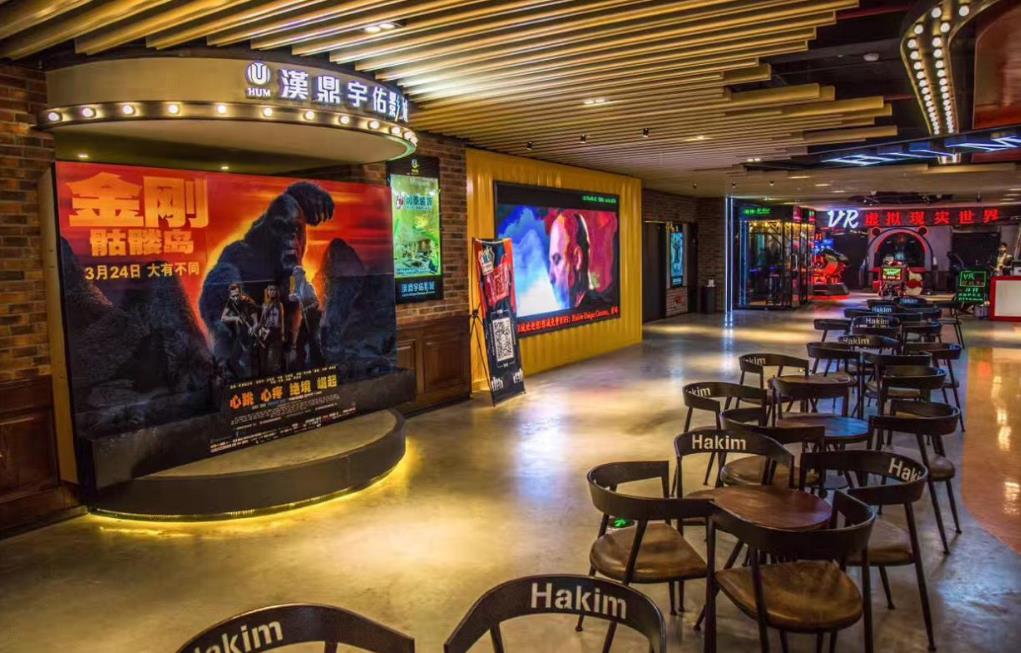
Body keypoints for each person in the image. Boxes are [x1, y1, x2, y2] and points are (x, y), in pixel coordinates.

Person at [547, 212, 614, 311]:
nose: (550, 277)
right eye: (550, 263)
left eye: (557, 260)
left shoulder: (601, 309)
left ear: (577, 259)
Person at [219, 283, 258, 380]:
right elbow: (223, 318)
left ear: (240, 293)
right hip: (241, 334)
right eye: (233, 296)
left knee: (251, 360)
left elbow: (256, 322)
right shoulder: (231, 302)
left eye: (237, 295)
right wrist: (235, 318)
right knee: (233, 360)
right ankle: (243, 379)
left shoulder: (248, 302)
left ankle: (254, 381)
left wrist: (253, 328)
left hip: (251, 334)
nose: (235, 298)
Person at [256, 285, 285, 376]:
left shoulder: (279, 305)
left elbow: (282, 320)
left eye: (274, 290)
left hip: (276, 331)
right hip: (266, 331)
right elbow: (262, 320)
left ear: (276, 292)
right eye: (270, 290)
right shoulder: (264, 304)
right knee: (264, 355)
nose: (272, 292)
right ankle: (266, 374)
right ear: (267, 292)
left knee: (275, 355)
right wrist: (257, 329)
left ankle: (275, 372)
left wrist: (282, 334)